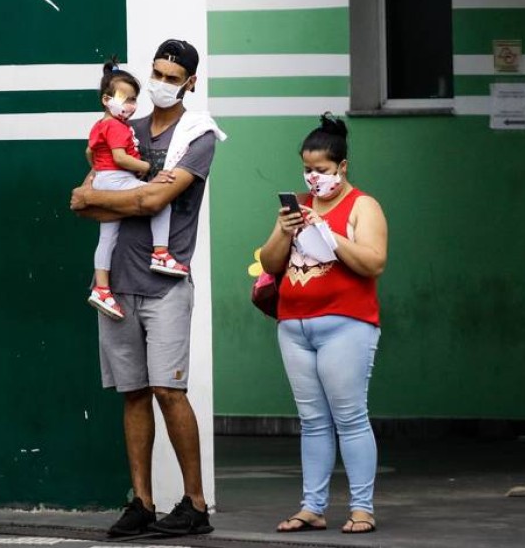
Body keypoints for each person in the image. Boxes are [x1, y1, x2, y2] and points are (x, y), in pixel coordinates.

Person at [70, 39, 226, 537]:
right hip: (115, 286)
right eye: (156, 72)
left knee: (168, 389)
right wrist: (132, 198)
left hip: (165, 285)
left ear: (191, 83)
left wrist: (121, 198)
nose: (160, 82)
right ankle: (141, 502)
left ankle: (196, 506)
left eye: (172, 76)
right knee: (133, 393)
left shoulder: (197, 137)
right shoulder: (125, 128)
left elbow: (154, 199)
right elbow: (81, 200)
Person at [258, 113, 388, 536]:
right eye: (308, 169)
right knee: (311, 420)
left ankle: (362, 508)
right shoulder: (298, 204)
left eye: (323, 171)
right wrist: (284, 229)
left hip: (346, 324)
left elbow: (374, 262)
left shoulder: (362, 205)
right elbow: (271, 263)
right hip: (294, 325)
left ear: (343, 167)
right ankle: (312, 506)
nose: (314, 179)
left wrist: (331, 236)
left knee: (350, 417)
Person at [86, 58, 189, 321]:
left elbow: (90, 151)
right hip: (118, 178)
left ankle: (101, 287)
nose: (131, 106)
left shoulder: (100, 125)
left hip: (104, 179)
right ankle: (161, 253)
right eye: (125, 99)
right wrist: (144, 166)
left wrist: (97, 171)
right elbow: (121, 158)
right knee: (160, 200)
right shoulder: (118, 127)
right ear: (107, 99)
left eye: (134, 100)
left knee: (107, 239)